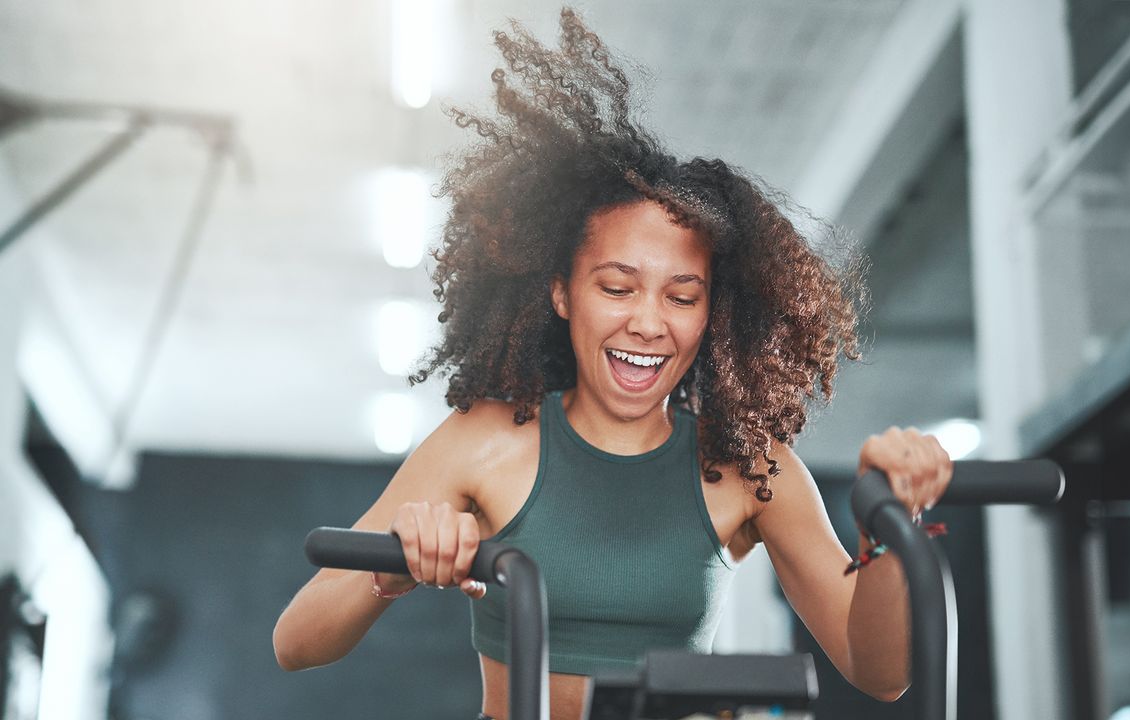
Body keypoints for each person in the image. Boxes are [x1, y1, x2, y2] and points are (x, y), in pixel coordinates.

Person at [272, 8, 953, 720]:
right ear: (562, 293)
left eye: (682, 296)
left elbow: (880, 673)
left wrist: (890, 529)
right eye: (617, 287)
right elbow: (298, 642)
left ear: (710, 314)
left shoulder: (751, 468)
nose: (649, 322)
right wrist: (397, 569)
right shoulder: (485, 440)